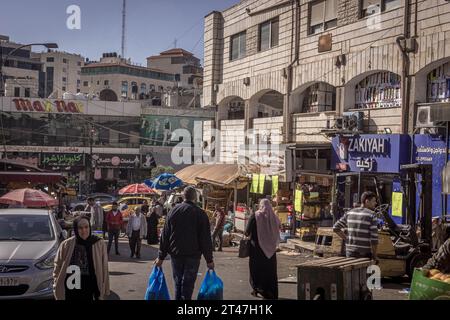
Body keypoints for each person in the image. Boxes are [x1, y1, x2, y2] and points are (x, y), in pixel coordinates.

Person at [155, 186, 214, 300]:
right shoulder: (201, 214)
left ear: (183, 197)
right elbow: (205, 239)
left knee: (178, 283)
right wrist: (209, 260)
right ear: (195, 198)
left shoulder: (173, 211)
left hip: (176, 255)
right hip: (193, 256)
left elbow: (165, 235)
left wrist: (160, 257)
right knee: (188, 285)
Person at [53, 216, 110, 300]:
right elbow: (57, 266)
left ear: (90, 227)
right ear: (75, 229)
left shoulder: (99, 243)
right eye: (80, 228)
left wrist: (105, 288)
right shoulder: (66, 245)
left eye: (86, 227)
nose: (84, 230)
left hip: (91, 289)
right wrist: (56, 283)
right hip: (71, 289)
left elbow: (104, 268)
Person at [245, 198, 281, 300]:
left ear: (260, 205)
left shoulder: (256, 216)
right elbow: (279, 227)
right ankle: (272, 293)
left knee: (256, 270)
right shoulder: (273, 216)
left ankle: (257, 289)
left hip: (256, 250)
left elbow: (247, 232)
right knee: (270, 272)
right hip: (271, 251)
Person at [333, 191, 379, 260]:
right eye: (374, 201)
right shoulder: (372, 215)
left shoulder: (349, 212)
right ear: (367, 201)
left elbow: (335, 228)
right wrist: (375, 256)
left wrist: (347, 239)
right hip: (364, 253)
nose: (375, 203)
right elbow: (374, 238)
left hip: (349, 251)